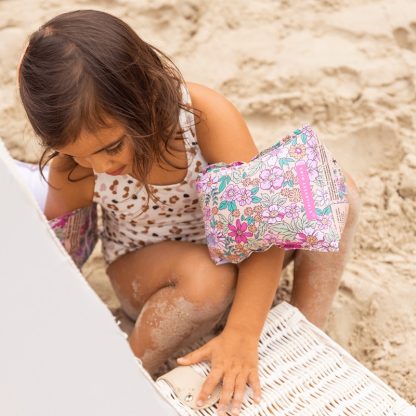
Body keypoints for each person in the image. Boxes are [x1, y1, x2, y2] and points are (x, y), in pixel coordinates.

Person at [18, 10, 360, 416]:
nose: (100, 167)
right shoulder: (75, 169)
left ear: (143, 97)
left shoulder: (203, 118)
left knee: (336, 191)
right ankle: (130, 372)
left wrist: (243, 333)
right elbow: (58, 258)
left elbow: (264, 228)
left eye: (110, 148)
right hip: (149, 273)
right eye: (79, 154)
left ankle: (304, 332)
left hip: (230, 241)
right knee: (207, 277)